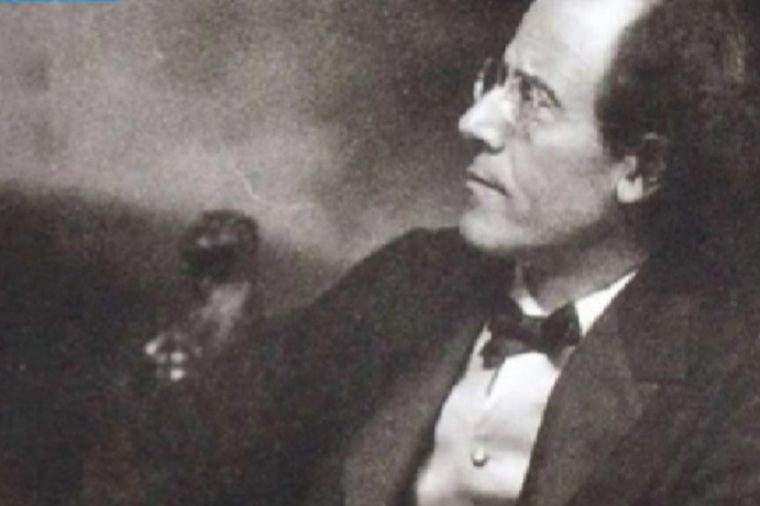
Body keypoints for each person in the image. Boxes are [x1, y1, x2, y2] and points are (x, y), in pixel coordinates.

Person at [142, 0, 760, 504]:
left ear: (642, 168)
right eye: (498, 79)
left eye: (534, 99)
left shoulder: (730, 391)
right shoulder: (414, 278)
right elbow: (193, 452)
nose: (475, 122)